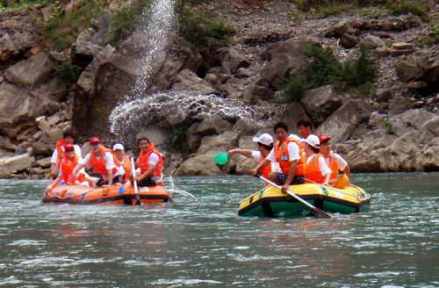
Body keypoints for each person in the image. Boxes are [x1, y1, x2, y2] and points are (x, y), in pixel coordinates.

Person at [254, 122, 305, 192]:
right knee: (271, 175)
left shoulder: (291, 144)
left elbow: (294, 164)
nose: (280, 135)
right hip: (287, 175)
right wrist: (257, 169)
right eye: (277, 133)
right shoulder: (277, 146)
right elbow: (267, 160)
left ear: (286, 133)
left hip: (298, 177)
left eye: (282, 132)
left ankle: (274, 191)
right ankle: (269, 194)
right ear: (275, 135)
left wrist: (287, 184)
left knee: (273, 175)